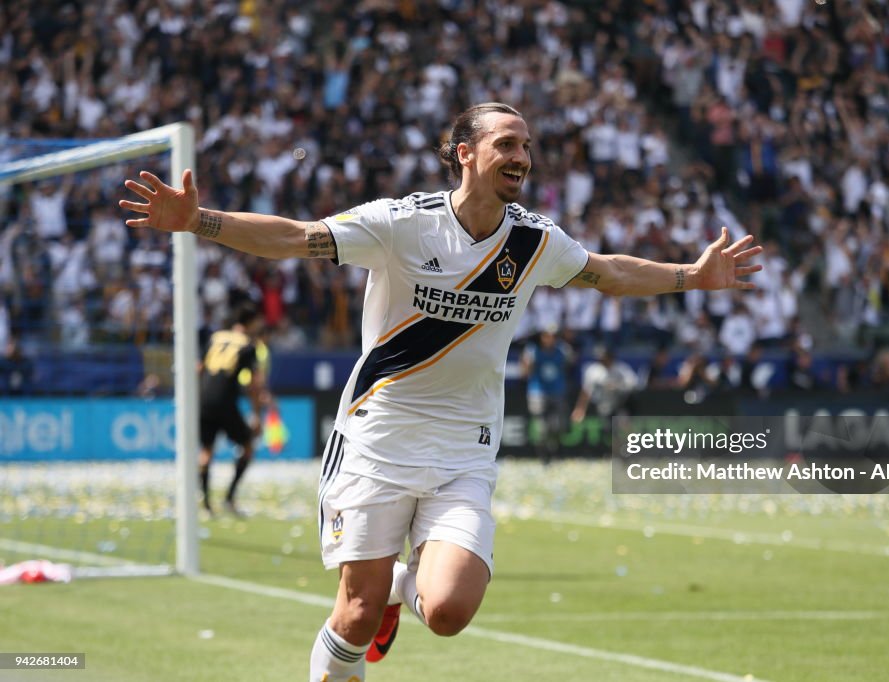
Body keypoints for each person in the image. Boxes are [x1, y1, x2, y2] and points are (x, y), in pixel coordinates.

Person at [119, 102, 762, 682]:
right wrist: (198, 220)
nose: (521, 157)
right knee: (356, 615)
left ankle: (406, 588)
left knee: (449, 611)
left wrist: (691, 277)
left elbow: (608, 274)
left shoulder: (535, 240)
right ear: (465, 153)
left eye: (527, 147)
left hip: (463, 451)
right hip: (376, 440)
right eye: (507, 144)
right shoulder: (401, 223)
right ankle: (381, 602)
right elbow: (294, 237)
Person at [196, 301, 269, 516]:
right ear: (252, 322)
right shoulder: (248, 345)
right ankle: (229, 499)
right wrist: (256, 416)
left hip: (203, 399)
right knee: (247, 447)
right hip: (226, 401)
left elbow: (198, 368)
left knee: (206, 451)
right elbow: (254, 384)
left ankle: (207, 504)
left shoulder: (215, 337)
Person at [519, 327, 574, 464]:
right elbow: (524, 373)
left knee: (558, 425)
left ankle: (556, 452)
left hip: (557, 391)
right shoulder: (532, 350)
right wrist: (528, 363)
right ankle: (544, 457)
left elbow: (572, 364)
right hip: (538, 392)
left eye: (554, 336)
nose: (551, 339)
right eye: (547, 336)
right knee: (541, 427)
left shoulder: (563, 349)